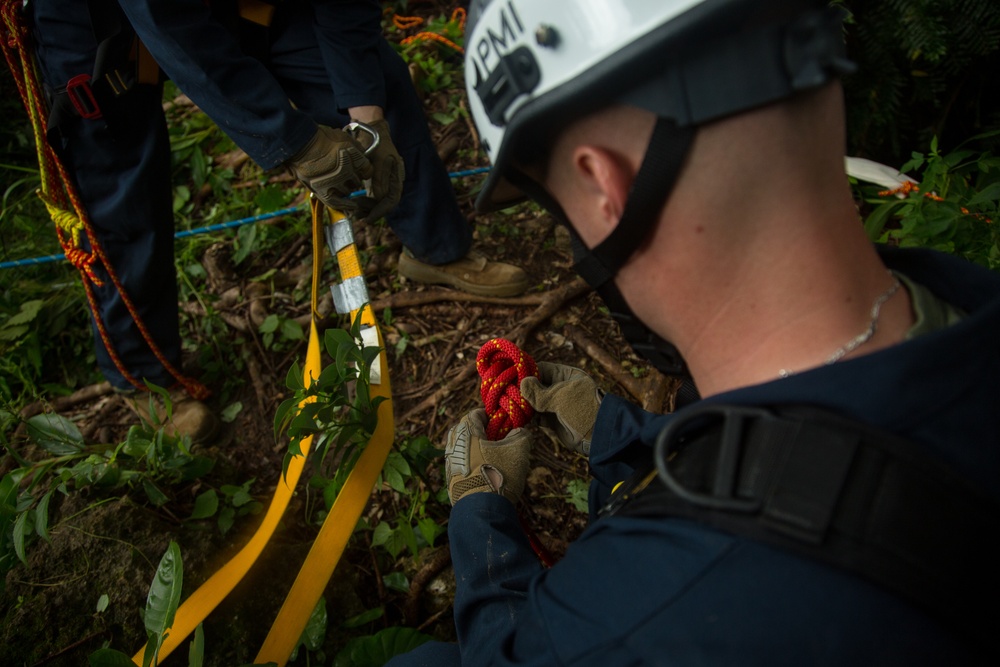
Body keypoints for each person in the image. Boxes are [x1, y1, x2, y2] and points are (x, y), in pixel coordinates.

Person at [388, 0, 1000, 664]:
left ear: (601, 184)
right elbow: (795, 456)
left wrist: (480, 516)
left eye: (559, 210)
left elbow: (508, 649)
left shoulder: (629, 625)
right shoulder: (964, 305)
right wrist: (613, 436)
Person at [29, 0, 528, 441]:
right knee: (120, 182)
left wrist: (367, 115)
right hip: (94, 18)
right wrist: (294, 141)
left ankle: (435, 248)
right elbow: (166, 19)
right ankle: (144, 375)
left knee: (375, 81)